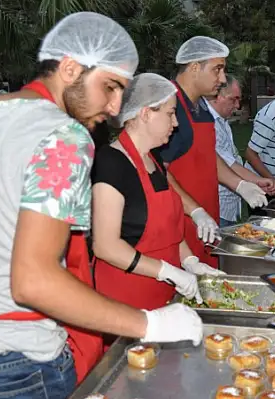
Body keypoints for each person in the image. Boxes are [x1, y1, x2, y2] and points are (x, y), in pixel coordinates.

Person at [0, 13, 202, 399]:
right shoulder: (63, 137)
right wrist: (149, 325)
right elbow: (34, 282)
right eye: (110, 86)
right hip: (11, 362)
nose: (114, 106)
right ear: (70, 68)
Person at [92, 73, 225, 335]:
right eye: (170, 113)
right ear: (145, 113)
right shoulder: (111, 163)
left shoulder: (153, 161)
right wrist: (167, 271)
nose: (175, 123)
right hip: (126, 303)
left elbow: (169, 228)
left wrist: (190, 262)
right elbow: (105, 246)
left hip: (164, 298)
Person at [160, 36, 272, 268]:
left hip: (207, 217)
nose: (222, 79)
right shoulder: (169, 105)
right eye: (217, 69)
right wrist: (195, 211)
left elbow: (206, 156)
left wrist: (239, 184)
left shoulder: (200, 106)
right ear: (193, 68)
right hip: (181, 221)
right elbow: (157, 170)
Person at [207, 75, 275, 227]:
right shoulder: (210, 124)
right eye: (234, 99)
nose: (237, 106)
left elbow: (232, 158)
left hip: (228, 205)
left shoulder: (222, 122)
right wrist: (257, 180)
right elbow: (228, 164)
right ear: (217, 96)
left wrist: (255, 181)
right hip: (216, 207)